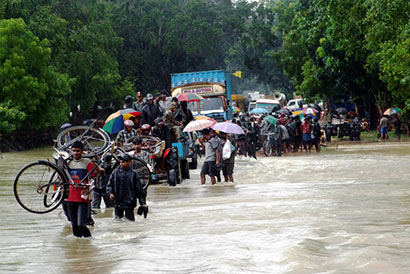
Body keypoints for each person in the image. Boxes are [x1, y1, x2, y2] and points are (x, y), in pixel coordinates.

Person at [66, 141, 96, 238]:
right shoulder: (68, 163)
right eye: (73, 151)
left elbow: (93, 180)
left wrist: (89, 190)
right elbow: (61, 178)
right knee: (74, 226)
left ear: (82, 151)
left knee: (81, 225)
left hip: (82, 199)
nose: (75, 153)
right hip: (70, 199)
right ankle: (79, 247)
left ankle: (89, 241)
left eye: (78, 151)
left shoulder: (88, 163)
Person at [106, 153, 148, 221]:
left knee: (130, 221)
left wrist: (142, 203)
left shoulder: (134, 174)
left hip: (129, 202)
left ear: (129, 162)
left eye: (123, 162)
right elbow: (109, 185)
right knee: (117, 221)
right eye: (121, 162)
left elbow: (139, 190)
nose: (121, 163)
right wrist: (110, 193)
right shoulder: (115, 173)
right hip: (118, 202)